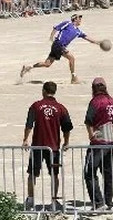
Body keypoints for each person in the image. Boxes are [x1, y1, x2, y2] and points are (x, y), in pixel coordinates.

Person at [23, 81, 73, 211]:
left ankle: (30, 200)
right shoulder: (61, 108)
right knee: (54, 174)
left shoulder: (36, 106)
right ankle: (54, 201)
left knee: (32, 173)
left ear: (44, 91)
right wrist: (66, 142)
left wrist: (25, 139)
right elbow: (67, 127)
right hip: (53, 148)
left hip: (38, 146)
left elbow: (29, 124)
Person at [20, 14, 101, 84]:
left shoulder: (78, 31)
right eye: (79, 18)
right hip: (58, 44)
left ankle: (28, 67)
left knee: (47, 64)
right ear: (75, 19)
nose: (80, 20)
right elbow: (56, 28)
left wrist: (98, 42)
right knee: (71, 58)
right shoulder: (68, 23)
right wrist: (51, 37)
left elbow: (87, 38)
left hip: (59, 46)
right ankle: (73, 78)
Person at [84, 78, 113, 211]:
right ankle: (109, 202)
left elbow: (88, 120)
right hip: (111, 142)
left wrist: (91, 134)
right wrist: (111, 128)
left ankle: (98, 202)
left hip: (98, 143)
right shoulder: (112, 101)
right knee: (109, 173)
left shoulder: (95, 102)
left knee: (89, 172)